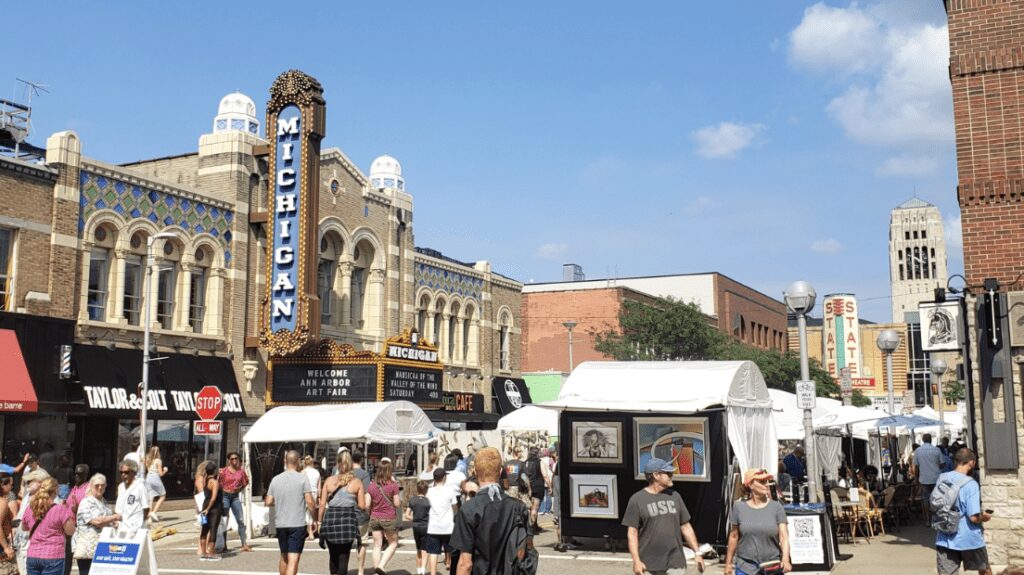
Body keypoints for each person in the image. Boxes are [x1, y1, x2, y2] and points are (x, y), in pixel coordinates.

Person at [450, 447, 532, 575]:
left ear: (475, 472)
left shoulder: (468, 509)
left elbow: (465, 564)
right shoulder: (518, 507)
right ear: (500, 472)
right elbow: (526, 550)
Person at [622, 458, 705, 575]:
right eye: (668, 473)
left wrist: (697, 553)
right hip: (649, 564)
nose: (671, 476)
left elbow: (686, 526)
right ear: (656, 475)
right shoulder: (637, 500)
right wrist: (636, 561)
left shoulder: (675, 496)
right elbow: (632, 533)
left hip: (675, 561)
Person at [935, 449, 992, 575]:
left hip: (945, 536)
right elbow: (973, 518)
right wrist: (984, 517)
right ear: (971, 463)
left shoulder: (942, 478)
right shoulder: (971, 484)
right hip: (969, 537)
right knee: (984, 569)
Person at [725, 469, 791, 575]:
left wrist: (786, 559)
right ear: (750, 485)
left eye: (767, 481)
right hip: (745, 567)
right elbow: (733, 536)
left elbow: (784, 537)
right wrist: (728, 563)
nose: (766, 484)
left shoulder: (776, 507)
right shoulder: (739, 507)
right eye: (762, 482)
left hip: (771, 567)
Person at [265, 450, 316, 575]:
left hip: (281, 523)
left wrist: (281, 500)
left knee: (284, 556)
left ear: (284, 461)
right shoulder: (303, 478)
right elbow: (310, 502)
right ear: (298, 461)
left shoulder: (276, 479)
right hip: (297, 523)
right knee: (293, 559)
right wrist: (314, 518)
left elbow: (269, 501)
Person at [318, 450, 367, 575]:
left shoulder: (329, 481)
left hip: (331, 521)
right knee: (344, 557)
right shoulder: (357, 482)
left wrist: (319, 522)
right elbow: (362, 505)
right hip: (348, 522)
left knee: (333, 556)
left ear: (337, 464)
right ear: (351, 464)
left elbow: (322, 504)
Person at [21, 478, 75, 575]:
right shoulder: (60, 509)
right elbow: (70, 531)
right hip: (53, 555)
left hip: (33, 555)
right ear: (55, 491)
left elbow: (24, 527)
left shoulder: (30, 508)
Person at [74, 474, 120, 575]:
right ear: (90, 486)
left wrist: (113, 523)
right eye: (97, 485)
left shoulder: (103, 501)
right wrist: (115, 517)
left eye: (102, 485)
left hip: (102, 547)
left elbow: (106, 519)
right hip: (88, 550)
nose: (100, 487)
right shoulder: (86, 502)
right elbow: (97, 521)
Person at [366, 458, 401, 574]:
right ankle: (381, 566)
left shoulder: (371, 486)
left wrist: (371, 512)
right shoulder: (393, 485)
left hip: (375, 517)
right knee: (393, 543)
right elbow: (397, 503)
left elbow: (367, 504)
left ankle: (377, 571)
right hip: (388, 517)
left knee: (377, 545)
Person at [425, 469, 458, 575]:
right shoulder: (450, 490)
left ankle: (433, 573)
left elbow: (427, 507)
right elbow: (455, 507)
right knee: (452, 551)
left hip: (433, 526)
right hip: (448, 526)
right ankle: (451, 571)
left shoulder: (429, 491)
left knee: (433, 552)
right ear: (444, 477)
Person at [219, 451, 253, 552]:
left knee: (240, 520)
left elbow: (246, 481)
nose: (234, 460)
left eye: (236, 458)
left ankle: (244, 544)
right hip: (225, 496)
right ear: (229, 460)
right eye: (232, 459)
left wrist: (239, 489)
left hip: (235, 497)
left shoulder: (241, 472)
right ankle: (224, 545)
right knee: (225, 521)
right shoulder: (223, 471)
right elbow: (218, 484)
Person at [913, 433, 945, 519]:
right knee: (936, 498)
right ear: (931, 440)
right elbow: (942, 464)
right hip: (936, 478)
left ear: (923, 440)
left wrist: (916, 478)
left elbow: (916, 466)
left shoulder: (918, 451)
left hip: (924, 479)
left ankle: (928, 519)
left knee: (925, 499)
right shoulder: (937, 450)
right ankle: (936, 517)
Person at [351, 451, 373, 575]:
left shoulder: (346, 474)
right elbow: (366, 493)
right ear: (361, 460)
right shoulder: (364, 474)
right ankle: (360, 570)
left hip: (347, 511)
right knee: (362, 542)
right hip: (360, 511)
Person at [114, 459, 149, 534]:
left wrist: (140, 524)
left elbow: (146, 508)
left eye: (126, 472)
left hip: (134, 527)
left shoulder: (140, 486)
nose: (123, 475)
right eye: (121, 472)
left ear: (133, 473)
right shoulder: (120, 487)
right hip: (120, 526)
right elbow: (119, 505)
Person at [404, 481, 431, 575]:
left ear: (417, 489)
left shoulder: (412, 500)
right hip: (426, 526)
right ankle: (423, 570)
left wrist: (415, 518)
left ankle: (418, 570)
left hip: (416, 526)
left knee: (418, 549)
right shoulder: (428, 501)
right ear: (426, 490)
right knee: (425, 549)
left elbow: (407, 515)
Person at [199, 463, 223, 561]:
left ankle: (203, 552)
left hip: (204, 504)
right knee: (213, 529)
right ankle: (211, 552)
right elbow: (214, 497)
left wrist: (205, 509)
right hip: (214, 507)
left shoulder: (205, 480)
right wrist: (208, 509)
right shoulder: (214, 482)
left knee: (204, 529)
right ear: (214, 471)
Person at [522, 448, 545, 532]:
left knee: (530, 508)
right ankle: (531, 528)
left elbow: (523, 476)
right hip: (537, 486)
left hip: (527, 487)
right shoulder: (539, 462)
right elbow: (545, 475)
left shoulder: (524, 463)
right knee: (535, 508)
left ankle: (533, 525)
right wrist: (549, 486)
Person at [142, 447, 167, 523]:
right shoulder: (158, 461)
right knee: (163, 495)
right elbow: (160, 474)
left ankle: (149, 517)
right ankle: (154, 512)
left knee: (151, 497)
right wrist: (165, 470)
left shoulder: (147, 459)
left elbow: (143, 463)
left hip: (148, 478)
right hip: (155, 478)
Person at [0, 473, 17, 575]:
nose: (12, 487)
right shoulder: (2, 502)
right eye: (10, 484)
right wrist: (6, 547)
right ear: (2, 485)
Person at [303, 456, 321, 541]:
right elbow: (319, 486)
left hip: (306, 492)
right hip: (314, 492)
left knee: (307, 513)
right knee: (312, 512)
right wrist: (318, 497)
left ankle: (310, 533)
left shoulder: (303, 472)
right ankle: (315, 527)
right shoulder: (317, 472)